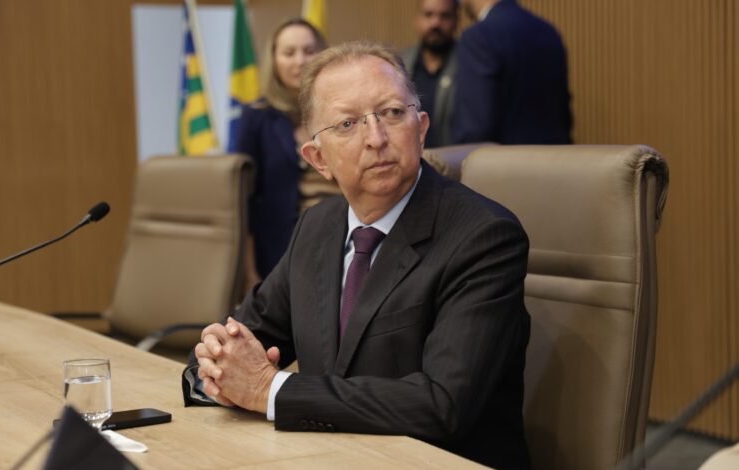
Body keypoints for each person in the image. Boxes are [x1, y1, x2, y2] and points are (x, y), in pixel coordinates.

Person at [184, 41, 531, 469]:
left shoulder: (484, 236)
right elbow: (242, 340)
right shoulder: (317, 227)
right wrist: (216, 364)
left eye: (392, 113)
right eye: (348, 123)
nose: (376, 138)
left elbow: (442, 404)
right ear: (318, 159)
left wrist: (268, 390)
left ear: (421, 128)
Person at [231, 18, 333, 289]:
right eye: (289, 52)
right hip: (276, 257)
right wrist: (249, 273)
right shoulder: (256, 117)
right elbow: (244, 202)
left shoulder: (340, 113)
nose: (300, 61)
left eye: (309, 50)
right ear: (274, 60)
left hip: (337, 248)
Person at [453, 0, 572, 145]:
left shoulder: (478, 37)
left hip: (504, 156)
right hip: (555, 155)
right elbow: (563, 117)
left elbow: (475, 130)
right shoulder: (549, 32)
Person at [400, 0, 459, 148]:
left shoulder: (468, 64)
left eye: (444, 16)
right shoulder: (401, 64)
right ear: (417, 20)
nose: (435, 23)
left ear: (456, 20)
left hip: (454, 159)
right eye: (428, 14)